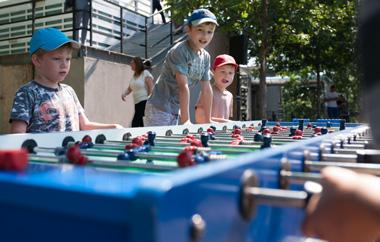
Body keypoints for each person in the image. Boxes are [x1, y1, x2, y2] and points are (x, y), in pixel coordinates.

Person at [9, 27, 123, 133]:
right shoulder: (27, 93)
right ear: (37, 60)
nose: (64, 64)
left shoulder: (69, 91)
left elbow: (85, 125)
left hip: (72, 154)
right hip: (43, 155)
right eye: (57, 58)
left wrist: (113, 127)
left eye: (68, 59)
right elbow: (17, 137)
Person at [144, 8, 218, 126]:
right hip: (159, 107)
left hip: (175, 108)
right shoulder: (180, 51)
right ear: (188, 29)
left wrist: (207, 120)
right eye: (200, 30)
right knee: (158, 143)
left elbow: (206, 89)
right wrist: (186, 120)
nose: (205, 35)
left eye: (210, 31)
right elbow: (183, 86)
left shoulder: (205, 57)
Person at [195, 54, 238, 123]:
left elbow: (226, 119)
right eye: (223, 71)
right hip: (208, 133)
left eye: (230, 73)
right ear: (213, 72)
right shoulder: (207, 92)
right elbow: (200, 118)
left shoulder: (230, 96)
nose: (227, 75)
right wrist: (225, 122)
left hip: (222, 133)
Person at [121, 57, 154, 127]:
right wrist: (124, 94)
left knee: (135, 123)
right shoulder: (134, 76)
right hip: (137, 103)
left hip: (144, 102)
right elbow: (130, 88)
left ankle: (137, 136)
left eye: (132, 63)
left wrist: (150, 100)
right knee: (141, 124)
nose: (130, 65)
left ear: (137, 64)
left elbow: (151, 87)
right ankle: (143, 136)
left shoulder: (145, 73)